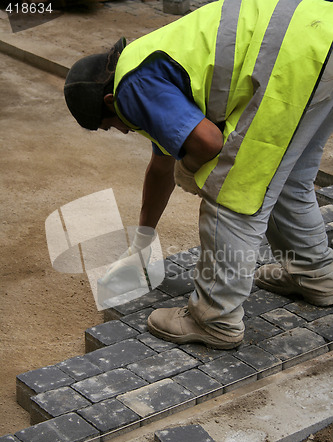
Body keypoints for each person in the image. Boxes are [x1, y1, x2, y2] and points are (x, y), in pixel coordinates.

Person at [64, 0, 333, 350]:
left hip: (296, 55)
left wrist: (189, 168)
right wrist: (142, 244)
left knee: (231, 193)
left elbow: (208, 143)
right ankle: (314, 274)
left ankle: (214, 318)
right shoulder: (147, 64)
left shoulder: (134, 89)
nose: (122, 131)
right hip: (318, 36)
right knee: (287, 180)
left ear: (112, 99)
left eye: (109, 125)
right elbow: (160, 167)